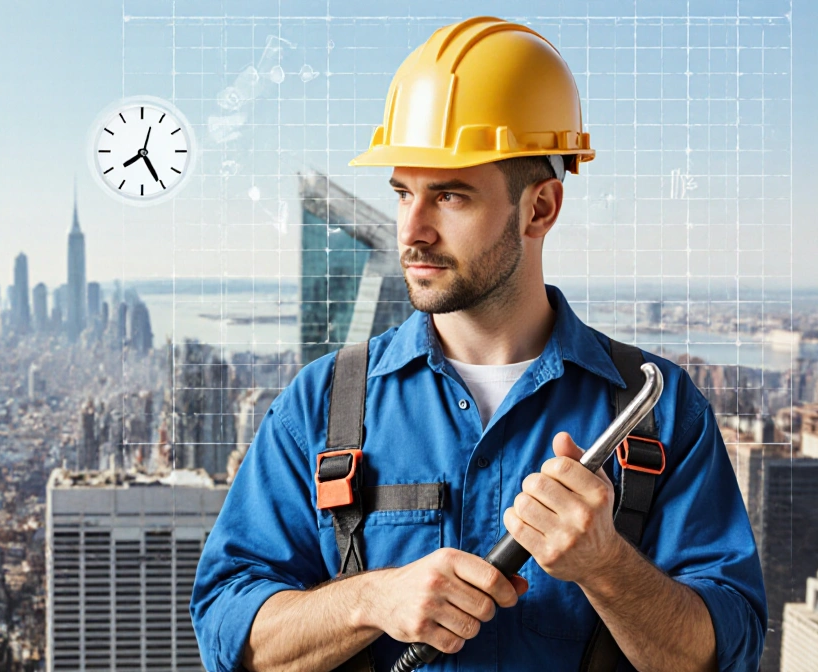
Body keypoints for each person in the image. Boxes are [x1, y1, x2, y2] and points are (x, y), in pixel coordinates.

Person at [190, 16, 766, 672]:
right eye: (403, 193)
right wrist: (372, 600)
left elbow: (727, 650)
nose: (412, 230)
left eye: (450, 196)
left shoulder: (659, 412)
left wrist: (606, 566)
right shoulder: (323, 405)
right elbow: (228, 633)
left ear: (540, 209)